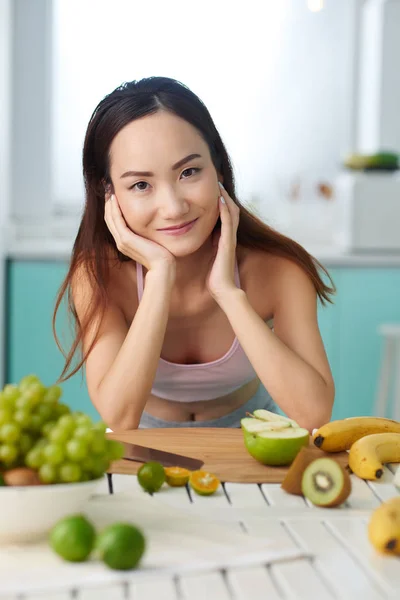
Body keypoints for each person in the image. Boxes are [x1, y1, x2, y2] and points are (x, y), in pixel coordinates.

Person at [53, 76, 335, 432]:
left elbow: (313, 416)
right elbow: (120, 418)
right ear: (108, 192)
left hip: (254, 440)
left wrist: (229, 294)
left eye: (189, 172)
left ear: (218, 167)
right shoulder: (98, 276)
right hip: (143, 446)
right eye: (141, 185)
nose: (172, 207)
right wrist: (158, 275)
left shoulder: (278, 271)